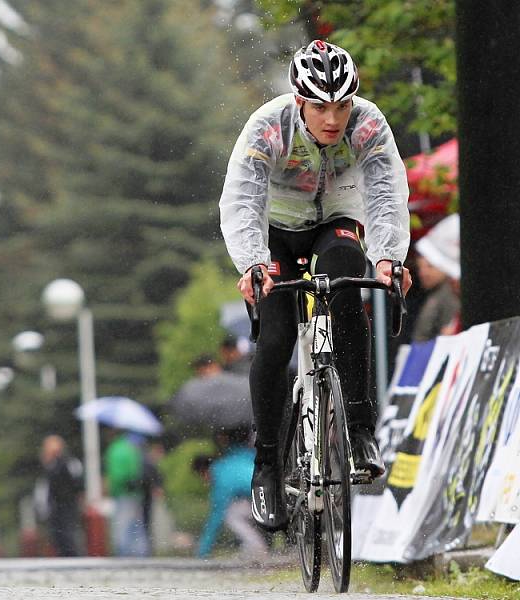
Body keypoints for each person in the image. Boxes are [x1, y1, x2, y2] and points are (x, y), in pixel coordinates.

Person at [219, 40, 413, 531]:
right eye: (321, 107)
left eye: (342, 105)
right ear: (299, 102)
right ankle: (266, 464)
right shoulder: (267, 126)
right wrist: (253, 263)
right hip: (275, 229)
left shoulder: (368, 124)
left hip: (337, 217)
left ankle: (361, 429)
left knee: (347, 284)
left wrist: (389, 257)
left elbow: (388, 189)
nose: (333, 119)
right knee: (278, 334)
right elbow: (241, 198)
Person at [192, 427, 267, 560]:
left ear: (204, 471)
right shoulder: (235, 458)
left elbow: (216, 516)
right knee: (238, 509)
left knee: (230, 515)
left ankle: (256, 547)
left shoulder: (220, 475)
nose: (204, 481)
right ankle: (251, 548)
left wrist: (202, 551)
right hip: (267, 489)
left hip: (261, 495)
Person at [412, 213, 460, 341]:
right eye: (420, 267)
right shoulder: (437, 295)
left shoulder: (446, 296)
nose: (423, 273)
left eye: (430, 266)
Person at [104, 429, 149, 557]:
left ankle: (123, 556)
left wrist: (112, 487)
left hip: (122, 493)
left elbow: (117, 476)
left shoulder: (115, 450)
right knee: (137, 527)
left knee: (121, 527)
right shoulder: (132, 448)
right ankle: (141, 555)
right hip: (136, 493)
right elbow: (137, 471)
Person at [39, 435, 83, 557]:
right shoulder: (50, 465)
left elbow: (77, 483)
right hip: (55, 505)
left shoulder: (68, 463)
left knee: (67, 533)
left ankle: (72, 556)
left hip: (67, 504)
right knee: (58, 535)